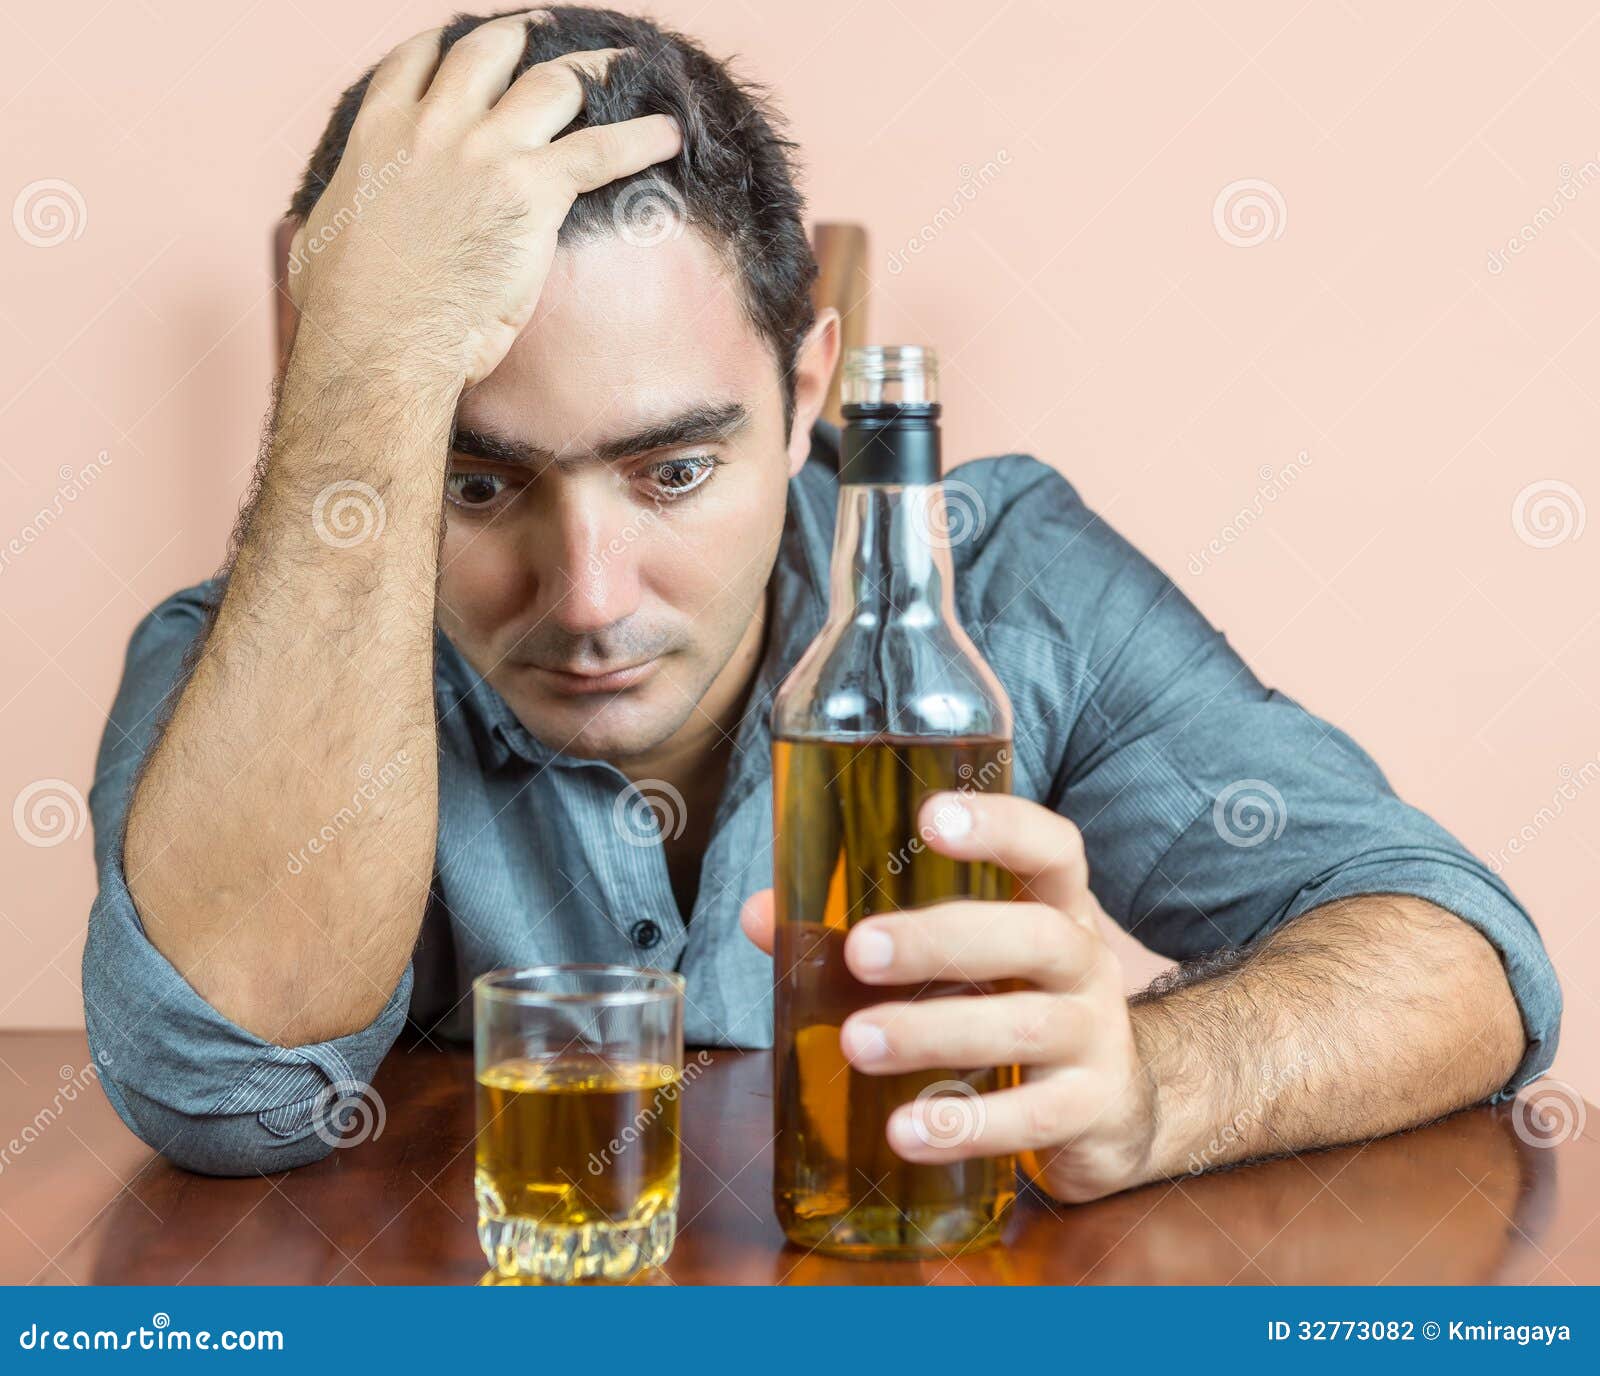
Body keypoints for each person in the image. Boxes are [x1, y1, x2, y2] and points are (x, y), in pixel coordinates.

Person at [83, 6, 1559, 1202]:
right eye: (477, 484)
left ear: (804, 394)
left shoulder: (1008, 582)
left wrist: (1157, 1083)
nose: (591, 601)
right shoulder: (243, 669)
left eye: (671, 469)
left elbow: (1454, 946)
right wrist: (365, 362)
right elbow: (230, 1088)